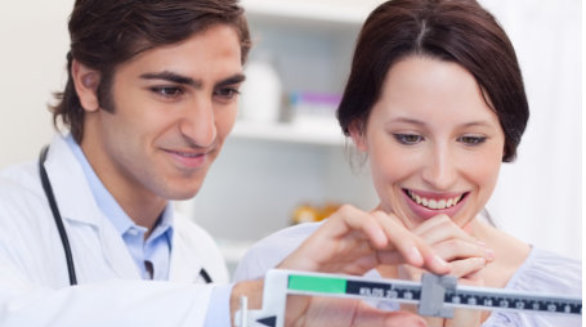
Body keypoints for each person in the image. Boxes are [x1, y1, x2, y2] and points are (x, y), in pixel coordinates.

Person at [0, 0, 455, 326]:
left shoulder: (198, 255)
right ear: (88, 83)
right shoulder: (11, 218)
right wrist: (243, 304)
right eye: (169, 90)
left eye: (225, 92)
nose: (205, 131)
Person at [233, 0, 582, 326]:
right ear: (359, 129)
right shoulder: (278, 271)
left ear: (507, 138)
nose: (441, 177)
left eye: (472, 139)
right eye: (409, 137)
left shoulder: (567, 294)